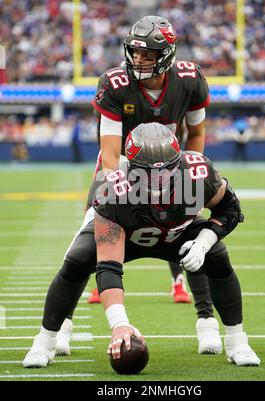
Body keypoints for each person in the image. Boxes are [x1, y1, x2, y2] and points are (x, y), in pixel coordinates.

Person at [22, 15, 221, 367]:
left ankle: (207, 322)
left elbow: (197, 135)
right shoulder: (115, 84)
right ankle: (61, 327)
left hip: (173, 169)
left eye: (147, 54)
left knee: (193, 236)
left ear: (166, 54)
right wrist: (120, 189)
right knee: (84, 246)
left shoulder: (189, 80)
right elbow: (111, 152)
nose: (138, 59)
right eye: (135, 52)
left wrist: (190, 173)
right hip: (122, 170)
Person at [23, 123, 260, 367]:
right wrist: (119, 324)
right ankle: (45, 342)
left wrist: (203, 242)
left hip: (176, 232)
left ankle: (237, 342)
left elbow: (229, 208)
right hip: (127, 234)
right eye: (148, 173)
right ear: (131, 168)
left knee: (217, 255)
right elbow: (109, 266)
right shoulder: (112, 189)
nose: (158, 180)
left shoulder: (197, 172)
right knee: (79, 258)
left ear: (178, 163)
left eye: (166, 171)